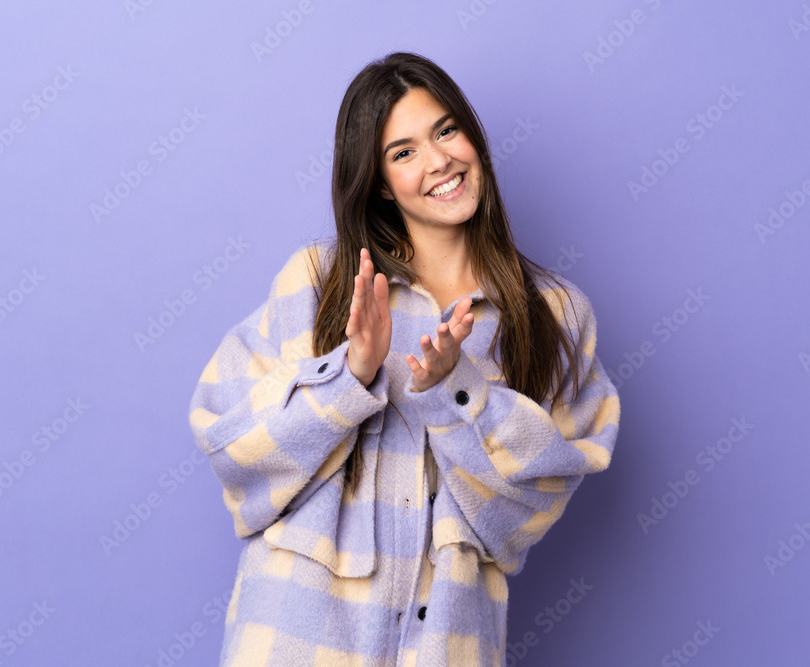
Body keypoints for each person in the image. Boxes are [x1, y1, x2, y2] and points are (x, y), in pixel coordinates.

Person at [188, 51, 621, 666]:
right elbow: (237, 456)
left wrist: (459, 390)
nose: (439, 160)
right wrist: (351, 375)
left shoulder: (553, 315)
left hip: (448, 645)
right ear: (380, 184)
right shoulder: (320, 282)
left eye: (446, 130)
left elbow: (531, 507)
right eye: (403, 151)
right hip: (292, 640)